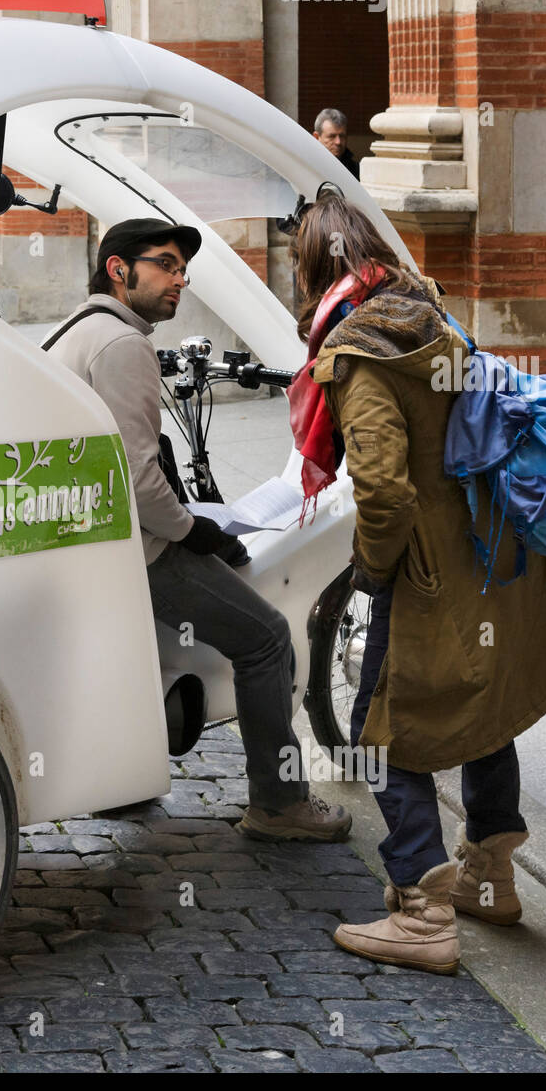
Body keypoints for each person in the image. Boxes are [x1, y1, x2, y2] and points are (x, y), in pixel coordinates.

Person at [284, 192, 546, 973]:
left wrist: (374, 568)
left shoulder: (359, 352)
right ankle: (491, 876)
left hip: (426, 570)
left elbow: (383, 489)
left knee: (381, 725)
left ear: (317, 272)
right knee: (483, 703)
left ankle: (421, 906)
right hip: (492, 555)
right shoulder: (429, 316)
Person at [45, 218, 353, 843]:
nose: (178, 280)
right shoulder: (122, 346)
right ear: (117, 269)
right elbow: (138, 479)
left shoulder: (74, 330)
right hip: (135, 549)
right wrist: (196, 532)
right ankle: (278, 802)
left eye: (183, 270)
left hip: (85, 544)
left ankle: (120, 776)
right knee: (265, 637)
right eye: (164, 264)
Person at [313, 109, 360, 180]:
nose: (338, 142)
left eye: (342, 136)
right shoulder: (306, 166)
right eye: (331, 136)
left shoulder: (355, 170)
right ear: (316, 137)